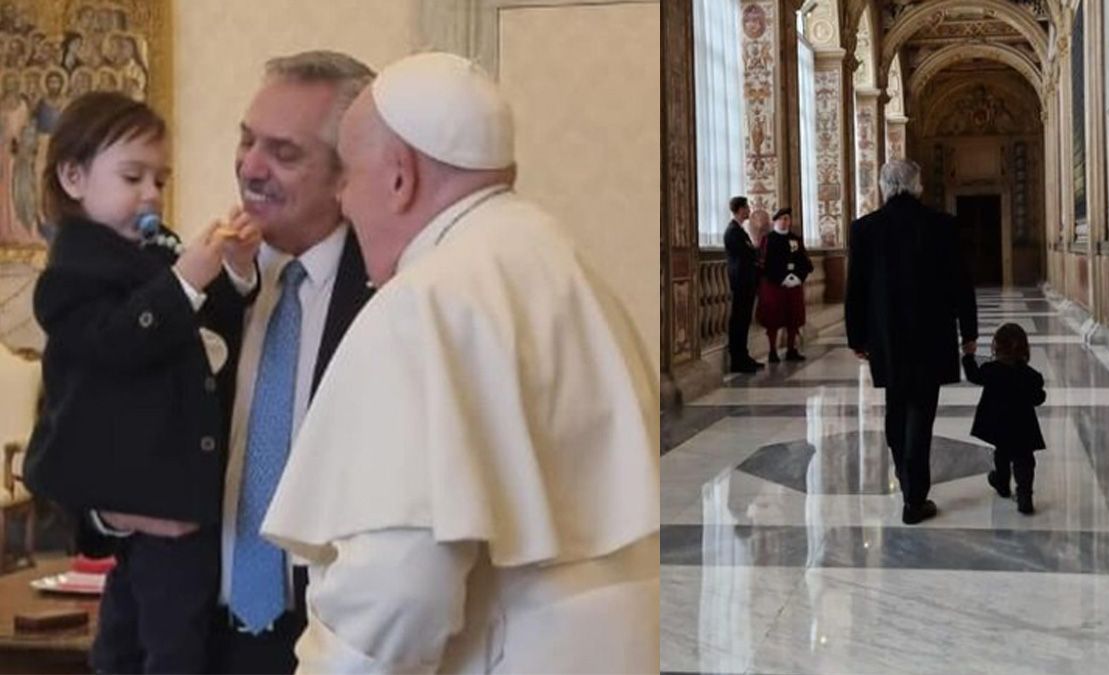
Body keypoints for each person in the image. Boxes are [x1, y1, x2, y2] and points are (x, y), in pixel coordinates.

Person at [260, 52, 659, 673]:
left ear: (399, 178)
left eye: (348, 173)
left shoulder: (422, 304)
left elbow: (398, 587)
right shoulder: (568, 268)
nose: (343, 197)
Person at [71, 51, 376, 674]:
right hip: (173, 642)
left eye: (284, 154)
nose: (250, 168)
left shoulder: (391, 297)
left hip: (326, 647)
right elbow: (81, 426)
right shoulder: (178, 281)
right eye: (246, 140)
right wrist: (110, 509)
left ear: (346, 176)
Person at [22, 91, 261, 674]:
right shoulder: (71, 272)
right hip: (138, 487)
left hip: (168, 485)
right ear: (74, 177)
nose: (152, 194)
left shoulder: (159, 251)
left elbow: (209, 336)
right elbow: (120, 342)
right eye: (133, 176)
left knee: (136, 625)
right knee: (172, 638)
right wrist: (183, 282)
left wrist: (234, 271)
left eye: (161, 178)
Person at [844, 159, 977, 525]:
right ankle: (913, 496)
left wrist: (857, 336)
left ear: (884, 187)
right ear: (917, 186)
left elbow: (855, 289)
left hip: (886, 336)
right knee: (921, 410)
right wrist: (969, 332)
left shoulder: (865, 228)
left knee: (896, 405)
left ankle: (907, 478)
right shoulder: (942, 226)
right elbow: (961, 284)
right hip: (932, 334)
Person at [962, 322, 1046, 514]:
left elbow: (974, 376)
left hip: (999, 424)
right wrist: (1041, 396)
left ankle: (1001, 482)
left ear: (996, 347)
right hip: (1023, 425)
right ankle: (1025, 494)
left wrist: (968, 356)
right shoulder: (1031, 375)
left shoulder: (991, 370)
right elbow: (1037, 397)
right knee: (1024, 458)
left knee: (1002, 453)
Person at [756, 207, 813, 363]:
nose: (784, 222)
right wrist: (782, 278)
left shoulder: (795, 239)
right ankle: (772, 351)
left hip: (794, 284)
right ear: (775, 221)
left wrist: (798, 277)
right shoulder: (768, 239)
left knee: (793, 317)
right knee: (773, 318)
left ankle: (791, 349)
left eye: (787, 219)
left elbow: (804, 261)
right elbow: (764, 264)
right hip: (774, 285)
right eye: (781, 219)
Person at [724, 195, 764, 373]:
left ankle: (744, 355)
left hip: (747, 282)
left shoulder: (740, 230)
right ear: (740, 209)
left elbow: (751, 252)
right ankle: (737, 360)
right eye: (747, 207)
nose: (749, 210)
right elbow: (747, 254)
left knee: (745, 320)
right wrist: (755, 254)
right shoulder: (733, 231)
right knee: (739, 321)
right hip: (740, 282)